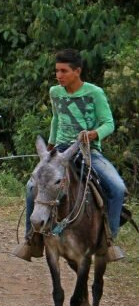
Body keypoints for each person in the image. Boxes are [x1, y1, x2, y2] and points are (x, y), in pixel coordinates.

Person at [13, 48, 127, 262]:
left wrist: (94, 134)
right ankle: (32, 239)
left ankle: (108, 242)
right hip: (60, 149)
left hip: (88, 150)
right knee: (31, 186)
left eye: (64, 71)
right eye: (57, 71)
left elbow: (109, 124)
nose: (59, 76)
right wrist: (50, 145)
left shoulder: (95, 93)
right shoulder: (55, 92)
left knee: (117, 187)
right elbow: (56, 119)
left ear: (77, 71)